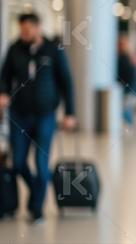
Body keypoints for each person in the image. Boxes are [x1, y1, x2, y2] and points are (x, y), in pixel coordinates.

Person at [0, 12, 76, 223]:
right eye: (21, 30)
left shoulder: (53, 50)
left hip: (45, 116)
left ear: (38, 27)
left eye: (27, 30)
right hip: (19, 115)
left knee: (42, 165)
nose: (23, 34)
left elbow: (66, 82)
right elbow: (4, 77)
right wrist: (3, 92)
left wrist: (70, 113)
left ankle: (37, 210)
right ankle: (37, 191)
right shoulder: (15, 49)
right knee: (17, 163)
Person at [116, 34, 136, 126]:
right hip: (127, 88)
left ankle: (129, 126)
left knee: (126, 109)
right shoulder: (127, 58)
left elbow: (131, 75)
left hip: (128, 89)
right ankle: (129, 126)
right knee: (126, 109)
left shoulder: (126, 58)